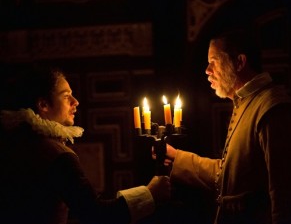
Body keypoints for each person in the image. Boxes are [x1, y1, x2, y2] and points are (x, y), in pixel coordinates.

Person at [154, 29, 291, 224]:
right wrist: (177, 158)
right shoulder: (247, 102)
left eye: (213, 62)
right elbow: (229, 175)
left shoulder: (272, 108)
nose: (207, 70)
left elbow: (286, 195)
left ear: (239, 62)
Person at [0, 66, 171, 224]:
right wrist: (150, 194)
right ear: (43, 104)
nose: (76, 102)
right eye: (66, 96)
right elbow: (96, 214)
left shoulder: (15, 142)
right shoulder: (54, 154)